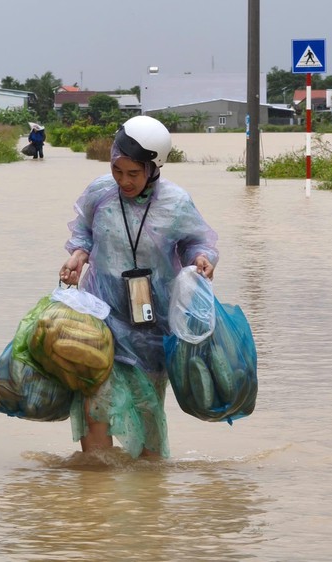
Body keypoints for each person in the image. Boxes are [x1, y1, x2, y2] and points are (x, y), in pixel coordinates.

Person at [59, 115, 218, 458]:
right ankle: (97, 488)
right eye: (118, 170)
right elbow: (83, 231)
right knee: (94, 400)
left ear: (154, 168)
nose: (124, 181)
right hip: (99, 314)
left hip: (151, 323)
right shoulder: (100, 192)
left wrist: (202, 259)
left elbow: (196, 242)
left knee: (147, 409)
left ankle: (147, 496)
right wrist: (78, 255)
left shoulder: (175, 202)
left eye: (134, 173)